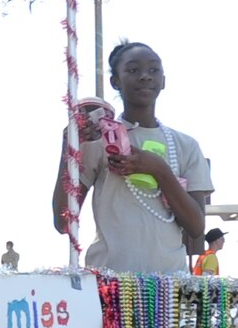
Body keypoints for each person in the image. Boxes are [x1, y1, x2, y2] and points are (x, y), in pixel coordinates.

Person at [50, 42, 212, 273]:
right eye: (133, 70)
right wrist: (69, 150)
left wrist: (159, 170)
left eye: (154, 70)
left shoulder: (186, 146)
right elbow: (63, 222)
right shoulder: (98, 141)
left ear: (163, 81)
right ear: (115, 81)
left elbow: (196, 227)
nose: (145, 77)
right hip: (110, 283)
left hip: (169, 284)